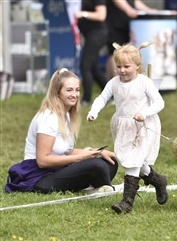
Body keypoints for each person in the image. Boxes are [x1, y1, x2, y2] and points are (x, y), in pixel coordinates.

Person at [5, 68, 118, 194]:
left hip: (57, 170)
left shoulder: (66, 114)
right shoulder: (48, 118)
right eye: (69, 90)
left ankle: (94, 187)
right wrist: (81, 158)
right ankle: (96, 187)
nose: (74, 94)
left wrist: (98, 152)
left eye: (77, 90)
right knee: (97, 166)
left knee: (110, 163)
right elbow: (42, 161)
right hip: (38, 177)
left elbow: (66, 152)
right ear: (57, 92)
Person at [87, 42, 168, 214]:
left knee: (133, 162)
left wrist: (144, 113)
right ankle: (159, 181)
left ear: (137, 66)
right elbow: (102, 98)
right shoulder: (114, 82)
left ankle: (126, 202)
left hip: (143, 126)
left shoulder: (144, 82)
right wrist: (94, 111)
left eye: (127, 66)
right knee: (135, 161)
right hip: (123, 125)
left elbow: (159, 102)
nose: (122, 70)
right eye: (118, 66)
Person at [105, 0, 155, 81]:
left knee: (117, 55)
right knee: (115, 54)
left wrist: (148, 10)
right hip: (114, 25)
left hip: (125, 25)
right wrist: (128, 9)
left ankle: (112, 85)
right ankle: (116, 84)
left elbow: (134, 1)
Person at [74, 0, 108, 106]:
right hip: (90, 35)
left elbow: (101, 15)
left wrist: (84, 14)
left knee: (85, 66)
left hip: (97, 35)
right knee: (94, 68)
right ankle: (110, 95)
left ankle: (86, 99)